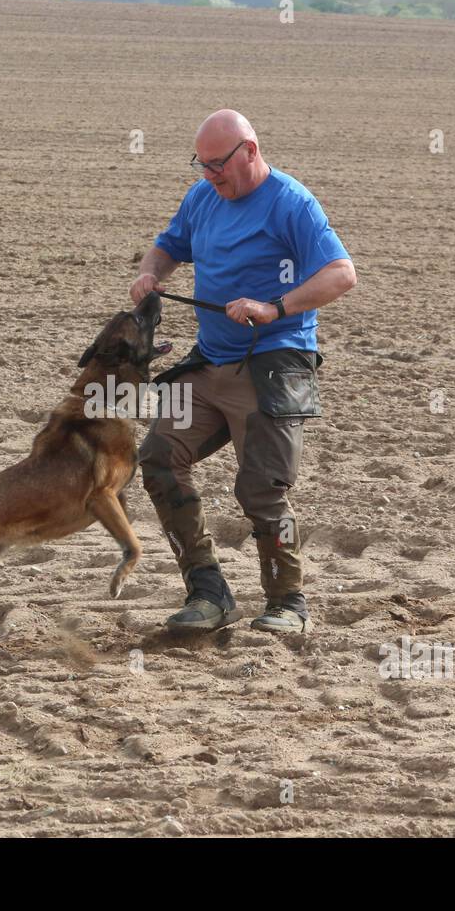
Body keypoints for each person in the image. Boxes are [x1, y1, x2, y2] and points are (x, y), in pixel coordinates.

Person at [130, 109, 357, 635]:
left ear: (250, 152)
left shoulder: (291, 203)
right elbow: (169, 246)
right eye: (202, 165)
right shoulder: (203, 196)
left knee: (260, 488)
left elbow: (342, 274)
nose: (209, 176)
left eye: (217, 165)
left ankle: (286, 602)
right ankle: (208, 592)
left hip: (274, 359)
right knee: (159, 459)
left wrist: (275, 306)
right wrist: (149, 273)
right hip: (210, 359)